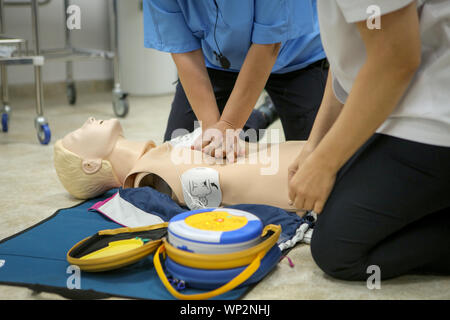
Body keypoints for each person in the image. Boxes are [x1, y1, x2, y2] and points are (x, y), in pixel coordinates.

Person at [288, 0, 450, 281]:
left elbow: (394, 57)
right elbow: (351, 57)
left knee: (337, 249)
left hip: (433, 116)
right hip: (394, 101)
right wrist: (314, 146)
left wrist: (324, 164)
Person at [143, 0, 328, 161]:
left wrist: (229, 126)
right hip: (217, 61)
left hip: (295, 57)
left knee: (318, 163)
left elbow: (269, 44)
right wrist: (212, 130)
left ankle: (252, 115)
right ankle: (260, 116)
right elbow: (183, 48)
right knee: (179, 155)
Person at [54, 117, 304, 211]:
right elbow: (244, 182)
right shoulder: (153, 176)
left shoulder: (159, 158)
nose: (88, 119)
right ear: (91, 165)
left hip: (303, 155)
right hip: (305, 173)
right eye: (77, 134)